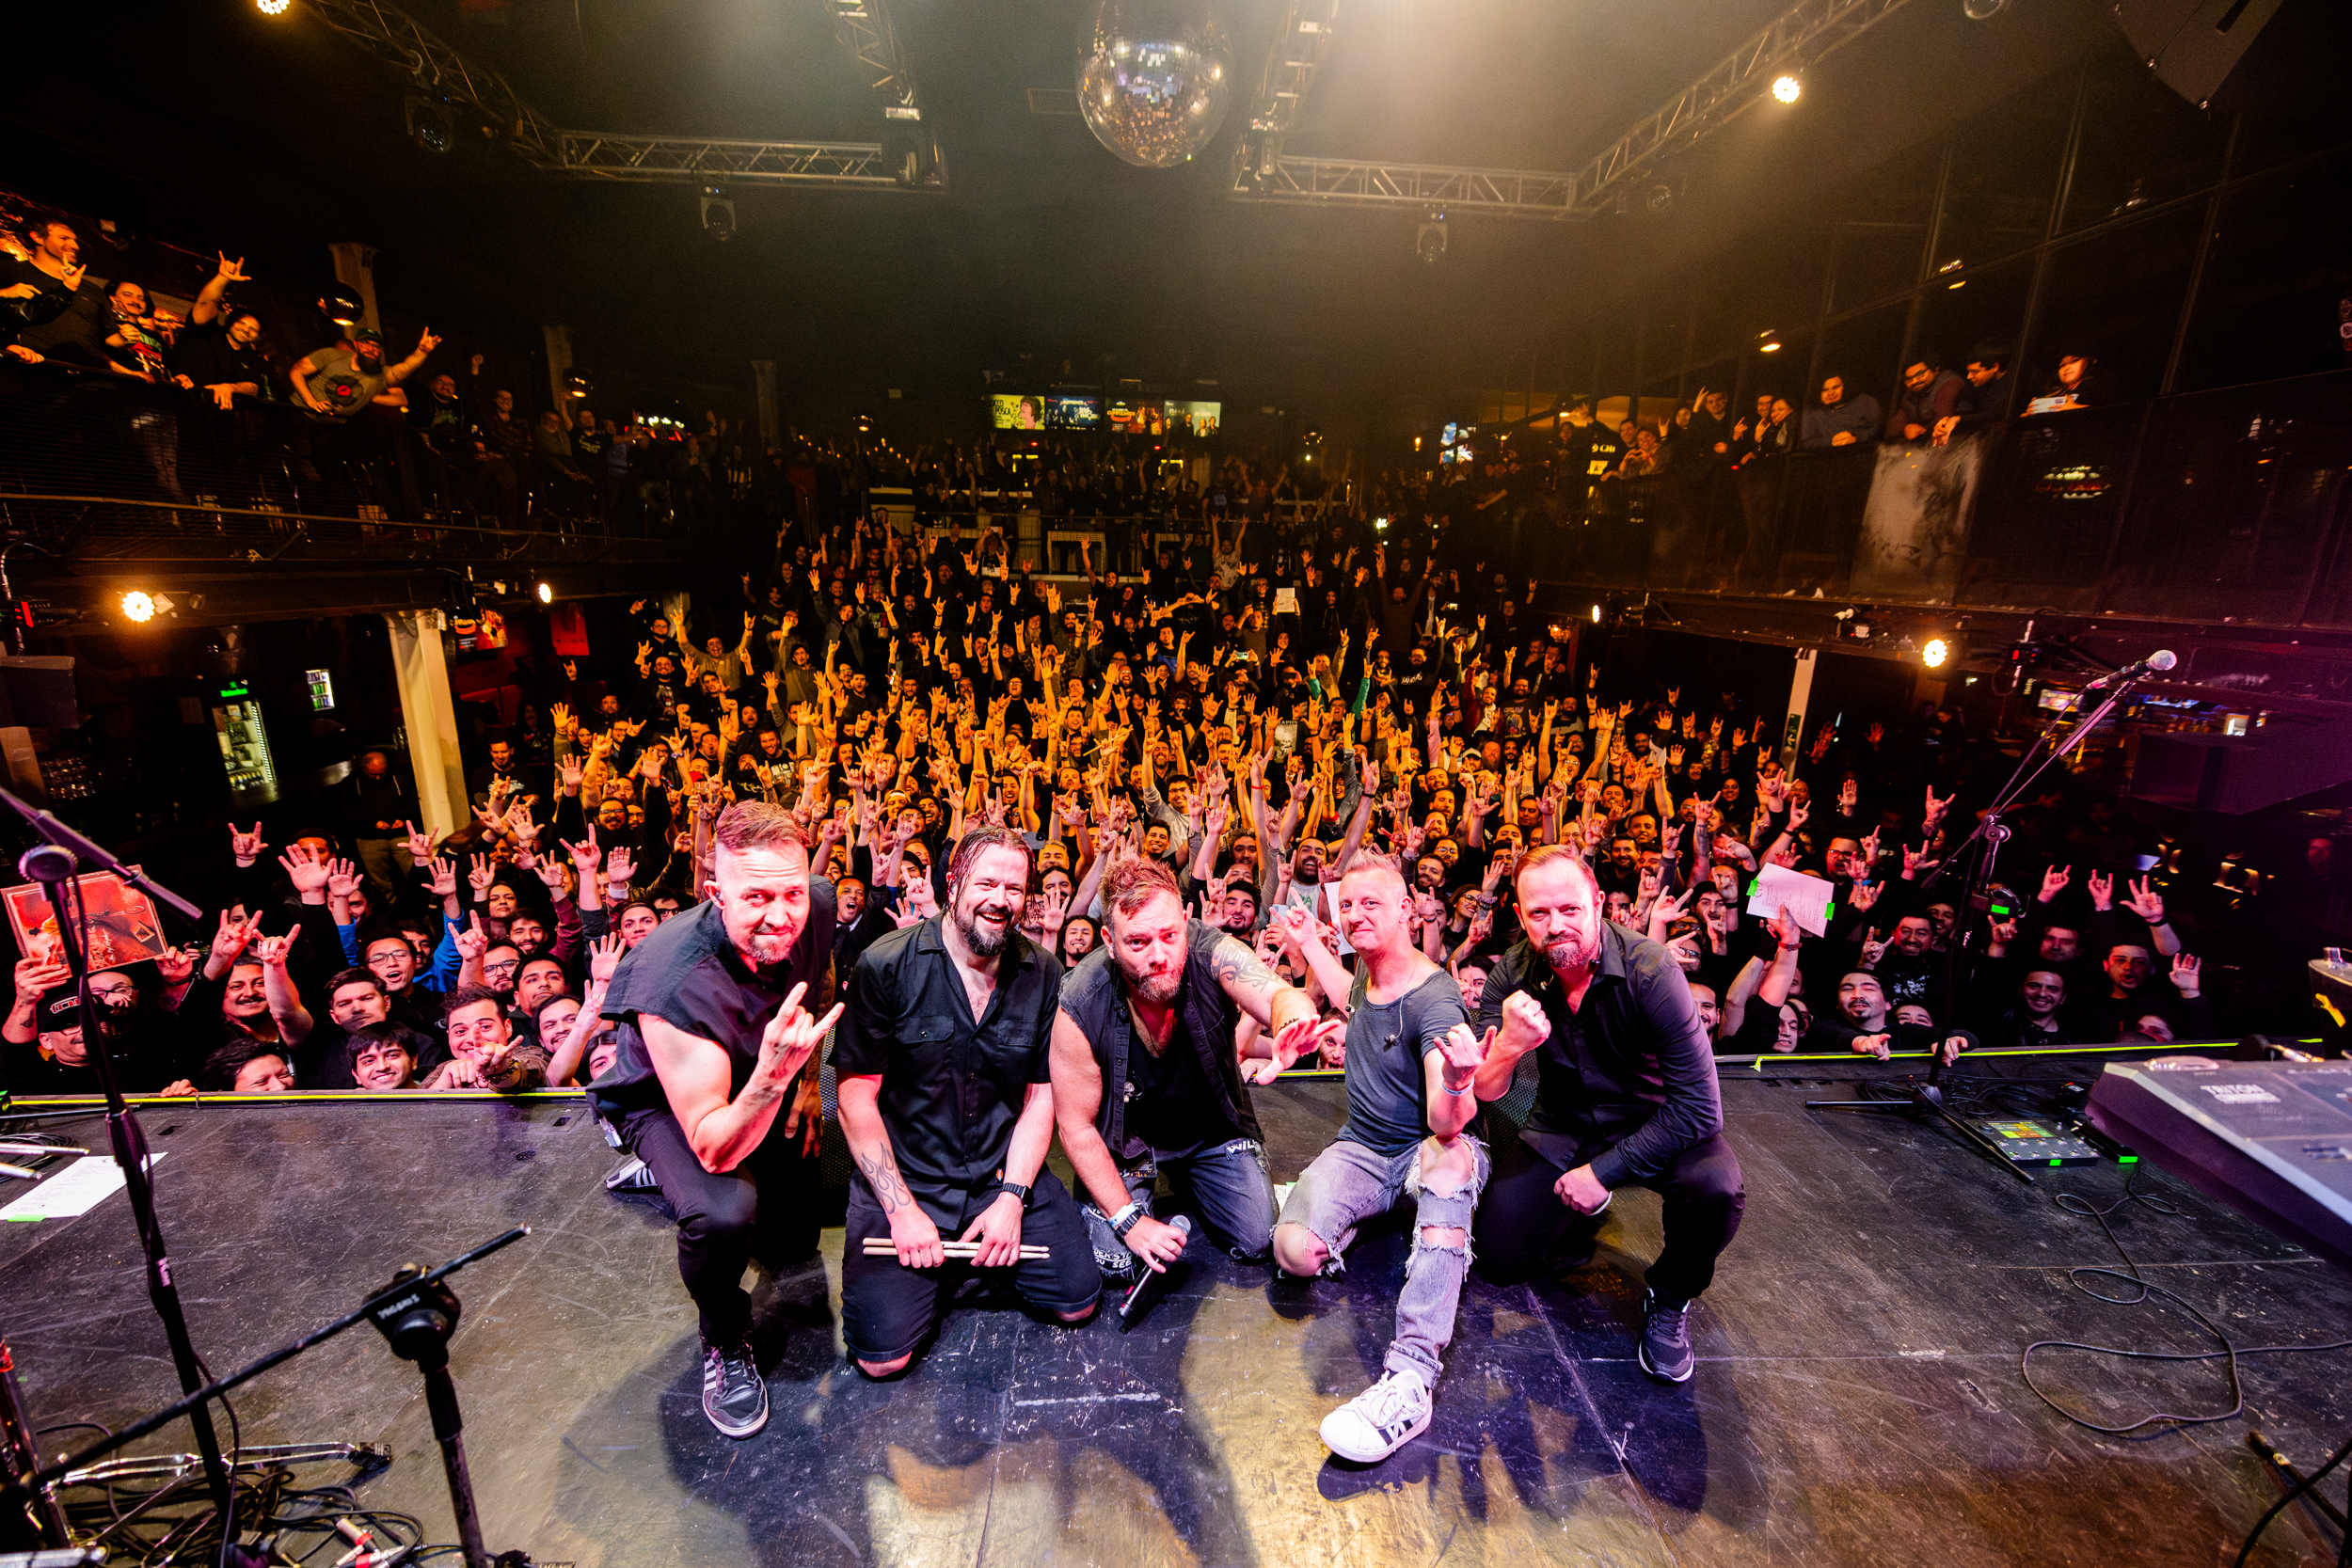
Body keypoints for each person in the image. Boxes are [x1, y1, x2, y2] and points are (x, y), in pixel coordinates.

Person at [590, 802, 841, 1439]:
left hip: (766, 1064)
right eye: (755, 896)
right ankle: (724, 1338)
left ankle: (674, 1177)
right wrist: (775, 1077)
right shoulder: (671, 974)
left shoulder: (815, 900)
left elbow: (818, 971)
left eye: (790, 892)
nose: (781, 915)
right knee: (723, 1207)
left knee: (792, 1231)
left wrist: (810, 1081)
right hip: (675, 1099)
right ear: (715, 892)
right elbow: (717, 1146)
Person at [1468, 846, 1743, 1385]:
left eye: (1569, 909)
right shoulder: (1512, 973)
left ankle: (1670, 1297)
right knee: (1498, 1261)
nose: (1556, 925)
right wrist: (1509, 1047)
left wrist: (1602, 1174)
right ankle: (1576, 1210)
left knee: (1717, 1189)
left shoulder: (1651, 969)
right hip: (1564, 1123)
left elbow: (1700, 1108)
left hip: (1657, 1125)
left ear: (1597, 904)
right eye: (1540, 914)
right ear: (1520, 916)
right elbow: (1482, 1088)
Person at [834, 826, 1100, 1380]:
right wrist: (902, 1211)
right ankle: (956, 1267)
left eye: (1014, 889)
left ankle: (955, 1264)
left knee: (1079, 1301)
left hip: (998, 1177)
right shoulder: (885, 966)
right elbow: (855, 1095)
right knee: (883, 1360)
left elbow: (1041, 1096)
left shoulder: (1043, 972)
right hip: (906, 1181)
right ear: (952, 882)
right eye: (986, 883)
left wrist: (1010, 1200)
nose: (1000, 901)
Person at [1269, 851, 1485, 1465]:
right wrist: (1309, 943)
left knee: (1452, 1157)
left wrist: (1459, 1082)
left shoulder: (1435, 998)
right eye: (1350, 904)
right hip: (1364, 1145)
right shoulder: (1368, 971)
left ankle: (1412, 1378)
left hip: (1427, 1147)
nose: (1357, 915)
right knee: (1294, 1253)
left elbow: (1449, 1123)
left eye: (1373, 903)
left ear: (1407, 910)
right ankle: (1381, 1213)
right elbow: (1349, 998)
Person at [1050, 859, 1323, 1286]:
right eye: (1138, 942)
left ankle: (1193, 1182)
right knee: (1117, 1265)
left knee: (1256, 1240)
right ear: (1109, 939)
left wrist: (1290, 1022)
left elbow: (1278, 994)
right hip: (1129, 1144)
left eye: (1169, 936)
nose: (1159, 956)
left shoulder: (1212, 951)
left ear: (1183, 921)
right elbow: (1074, 1128)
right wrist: (1132, 1223)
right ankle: (1146, 1197)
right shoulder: (1081, 1000)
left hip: (1209, 1131)